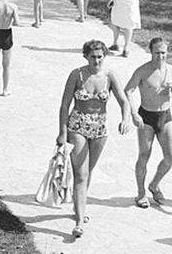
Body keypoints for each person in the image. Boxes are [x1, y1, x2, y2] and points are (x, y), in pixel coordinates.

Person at [57, 40, 132, 237]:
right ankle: (79, 220)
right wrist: (62, 132)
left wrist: (126, 119)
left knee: (87, 172)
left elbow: (124, 101)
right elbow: (65, 105)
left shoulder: (109, 76)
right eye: (93, 57)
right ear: (85, 57)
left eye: (100, 57)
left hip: (100, 128)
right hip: (78, 126)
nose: (97, 60)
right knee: (81, 175)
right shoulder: (77, 75)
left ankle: (78, 206)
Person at [125, 36, 172, 207]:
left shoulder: (171, 70)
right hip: (147, 117)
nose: (161, 56)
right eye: (157, 53)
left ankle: (154, 184)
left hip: (165, 115)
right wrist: (134, 114)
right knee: (144, 155)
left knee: (171, 157)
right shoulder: (143, 71)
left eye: (163, 53)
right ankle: (141, 193)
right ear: (151, 52)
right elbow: (128, 90)